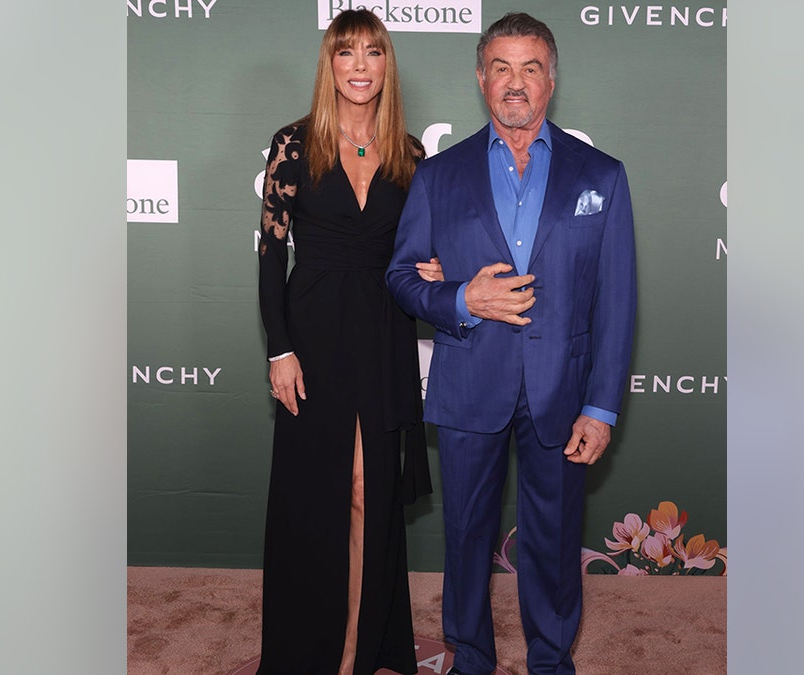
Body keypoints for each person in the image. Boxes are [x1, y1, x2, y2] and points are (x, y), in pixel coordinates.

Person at [386, 12, 637, 675]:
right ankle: (472, 658)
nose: (515, 83)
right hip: (471, 382)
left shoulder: (602, 175)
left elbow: (617, 301)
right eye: (501, 68)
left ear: (551, 80)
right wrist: (462, 298)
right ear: (480, 78)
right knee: (466, 539)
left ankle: (552, 661)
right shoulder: (439, 175)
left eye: (530, 68)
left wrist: (602, 406)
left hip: (564, 388)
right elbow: (402, 276)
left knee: (554, 544)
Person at [256, 9, 438, 675]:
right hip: (314, 338)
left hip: (384, 336)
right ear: (329, 65)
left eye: (372, 53)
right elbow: (270, 256)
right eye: (346, 53)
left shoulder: (410, 153)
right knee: (318, 499)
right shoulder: (294, 145)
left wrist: (436, 270)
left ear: (387, 65)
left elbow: (421, 251)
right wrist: (280, 348)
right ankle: (313, 645)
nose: (359, 67)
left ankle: (357, 650)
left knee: (368, 493)